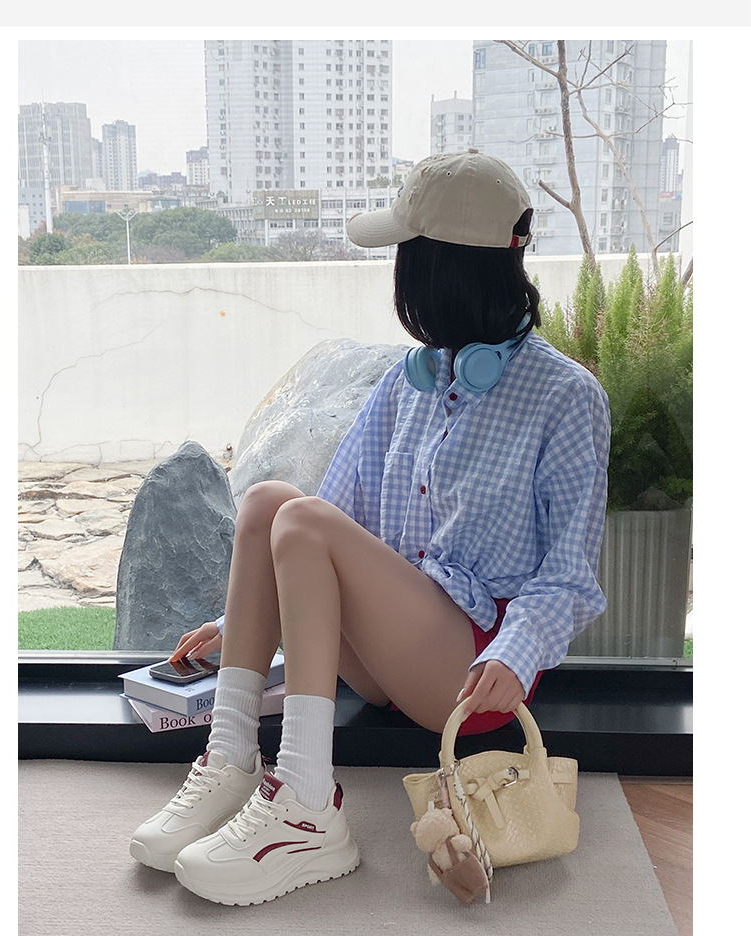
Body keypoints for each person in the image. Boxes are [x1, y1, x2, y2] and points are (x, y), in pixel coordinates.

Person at [129, 149, 611, 907]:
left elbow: (569, 577)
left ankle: (307, 808)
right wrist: (241, 622)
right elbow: (323, 524)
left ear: (438, 269)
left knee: (300, 516)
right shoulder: (406, 383)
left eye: (403, 257)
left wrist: (516, 656)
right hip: (394, 651)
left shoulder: (566, 396)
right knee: (269, 504)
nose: (397, 277)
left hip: (475, 670)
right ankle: (231, 760)